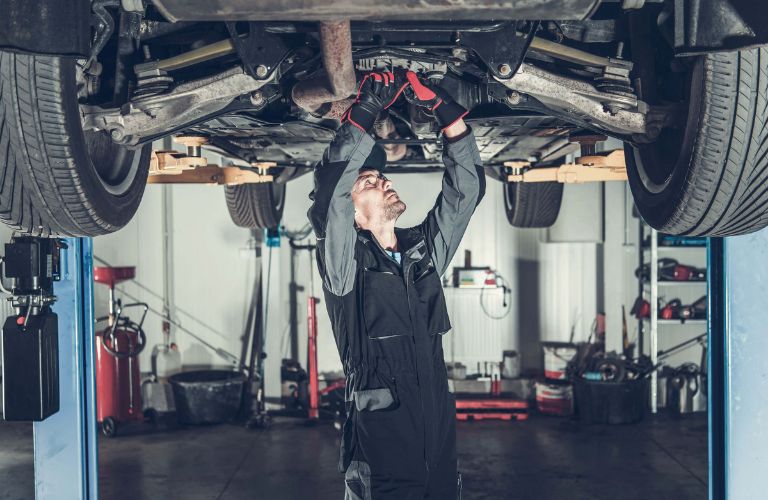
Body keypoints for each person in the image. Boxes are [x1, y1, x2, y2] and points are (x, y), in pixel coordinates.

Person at [308, 69, 485, 500]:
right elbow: (331, 196)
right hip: (383, 467)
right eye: (369, 182)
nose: (383, 180)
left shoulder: (421, 255)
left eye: (381, 177)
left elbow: (466, 192)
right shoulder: (345, 268)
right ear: (353, 217)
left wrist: (447, 115)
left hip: (438, 458)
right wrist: (365, 110)